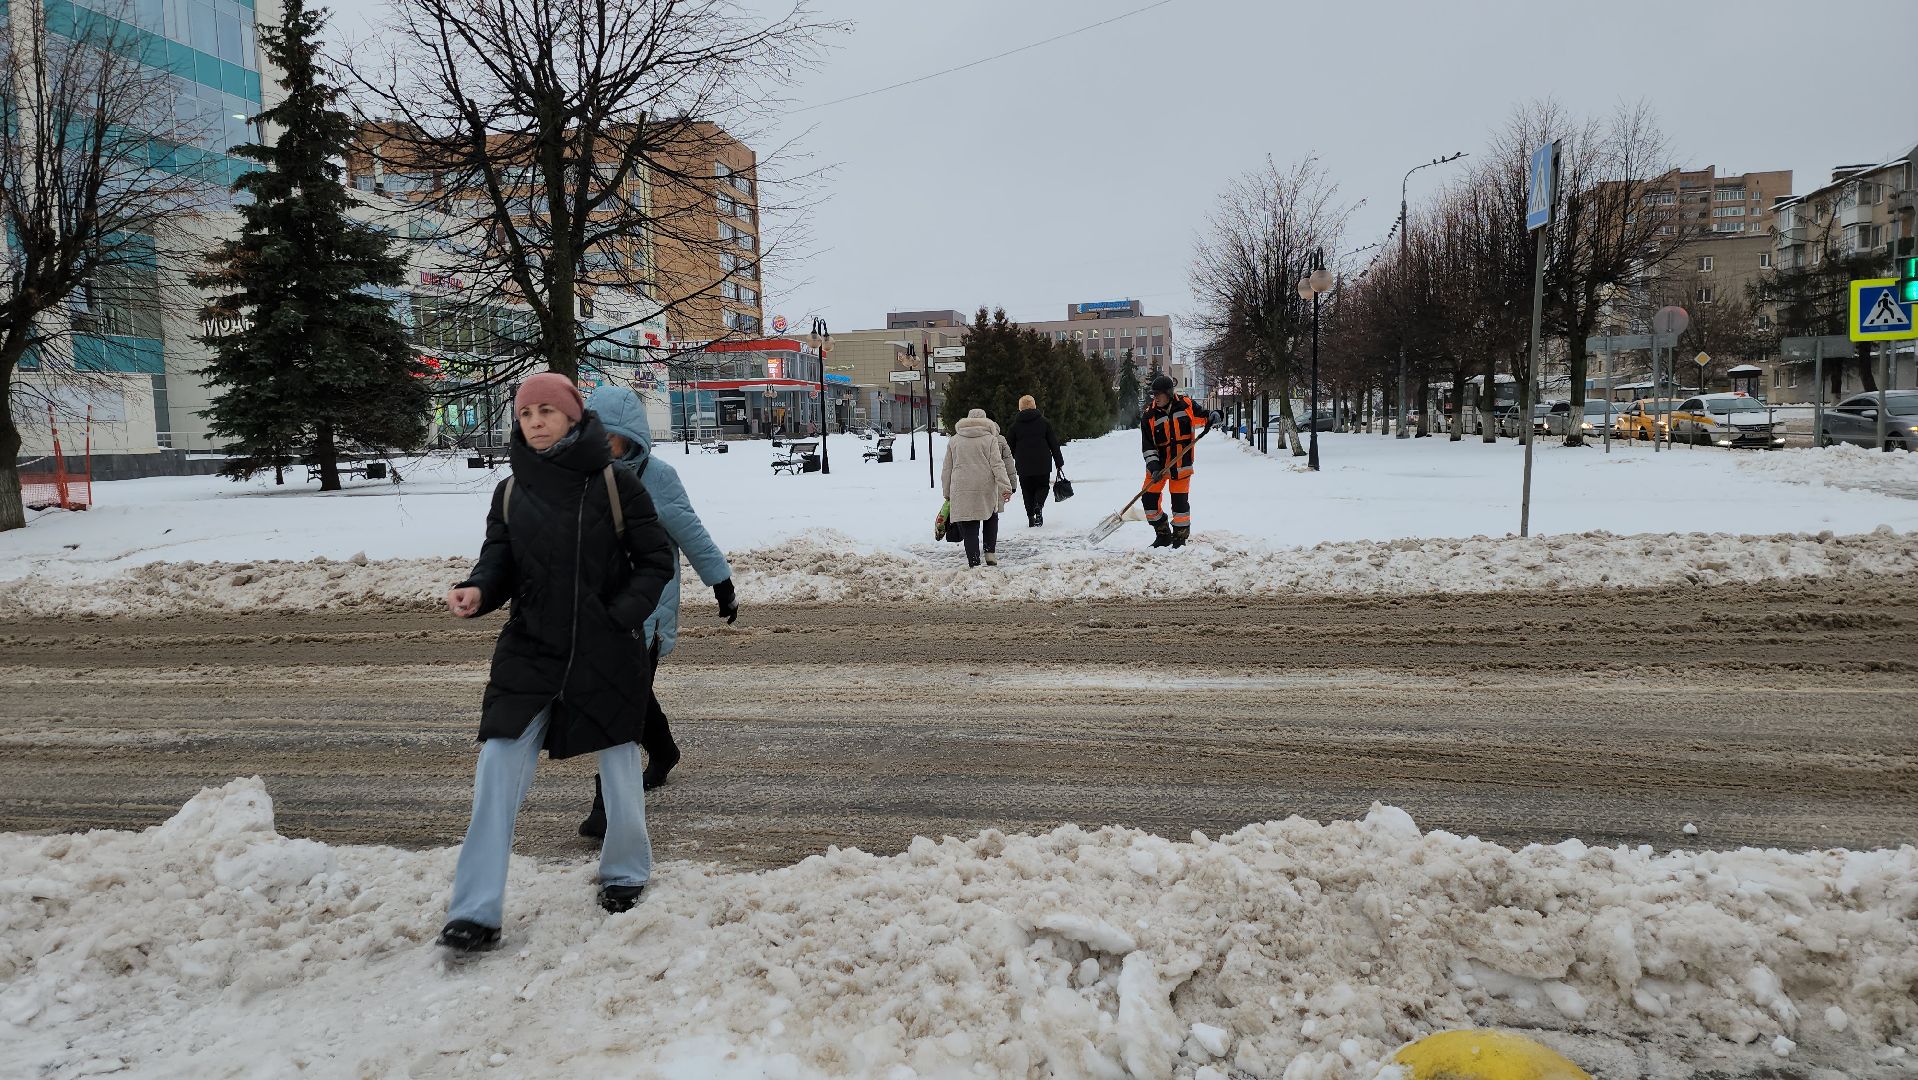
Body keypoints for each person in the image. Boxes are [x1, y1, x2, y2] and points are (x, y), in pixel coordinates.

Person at [438, 373, 677, 952]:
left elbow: (655, 560)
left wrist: (621, 614)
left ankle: (624, 873)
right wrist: (478, 589)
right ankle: (474, 911)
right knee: (497, 765)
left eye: (548, 410)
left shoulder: (617, 485)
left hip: (604, 647)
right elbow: (498, 561)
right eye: (526, 414)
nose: (536, 421)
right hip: (531, 648)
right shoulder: (510, 492)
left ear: (573, 416)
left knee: (619, 765)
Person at [576, 386, 738, 840]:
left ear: (633, 439)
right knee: (632, 696)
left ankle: (605, 802)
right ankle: (664, 751)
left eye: (615, 440)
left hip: (646, 614)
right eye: (599, 437)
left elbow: (692, 532)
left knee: (620, 704)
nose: (607, 447)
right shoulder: (584, 478)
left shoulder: (657, 477)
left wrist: (721, 585)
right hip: (600, 613)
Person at [1139, 373, 1219, 549]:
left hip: (1181, 465)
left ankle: (1179, 539)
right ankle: (1163, 534)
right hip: (1158, 467)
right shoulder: (1149, 416)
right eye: (1154, 394)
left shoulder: (1186, 405)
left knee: (1180, 505)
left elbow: (1203, 416)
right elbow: (1148, 446)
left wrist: (1212, 415)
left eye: (1158, 394)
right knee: (1149, 502)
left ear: (1168, 393)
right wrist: (1153, 468)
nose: (1155, 398)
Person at [941, 408, 1013, 568]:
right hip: (985, 486)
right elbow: (997, 465)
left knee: (969, 524)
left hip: (961, 487)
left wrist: (947, 492)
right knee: (991, 517)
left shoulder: (954, 440)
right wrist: (1005, 487)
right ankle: (990, 555)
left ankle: (973, 561)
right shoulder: (990, 439)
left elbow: (947, 468)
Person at [1006, 394, 1065, 528]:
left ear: (1020, 408)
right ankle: (1038, 505)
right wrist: (1058, 461)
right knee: (1043, 486)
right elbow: (1053, 443)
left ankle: (1030, 518)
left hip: (1023, 464)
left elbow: (1009, 447)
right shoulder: (1044, 422)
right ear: (1034, 406)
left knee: (1027, 490)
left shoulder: (1015, 426)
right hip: (1042, 462)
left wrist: (1015, 459)